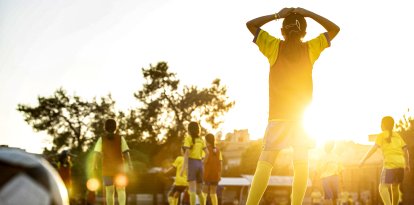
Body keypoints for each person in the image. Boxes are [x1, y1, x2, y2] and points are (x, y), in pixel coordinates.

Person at [245, 7, 340, 205]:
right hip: (302, 119)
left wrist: (276, 15)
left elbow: (250, 25)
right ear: (305, 32)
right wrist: (310, 14)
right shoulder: (310, 48)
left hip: (278, 116)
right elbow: (334, 29)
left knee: (265, 163)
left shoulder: (273, 46)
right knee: (301, 163)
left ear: (282, 31)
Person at [359, 116, 410, 205]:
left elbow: (373, 149)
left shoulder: (381, 135)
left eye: (381, 123)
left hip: (390, 164)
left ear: (383, 125)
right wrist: (407, 163)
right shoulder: (397, 135)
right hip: (400, 164)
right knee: (395, 187)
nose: (380, 125)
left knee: (382, 188)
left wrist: (363, 160)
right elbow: (406, 150)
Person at [92, 118, 133, 205]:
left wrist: (94, 165)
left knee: (109, 191)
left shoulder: (101, 139)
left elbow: (96, 154)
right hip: (119, 169)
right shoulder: (120, 138)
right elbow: (126, 153)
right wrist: (130, 165)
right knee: (121, 189)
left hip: (107, 169)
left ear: (105, 128)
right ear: (116, 127)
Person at [180, 121, 208, 205]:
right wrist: (202, 163)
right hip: (200, 164)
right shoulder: (201, 140)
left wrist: (183, 168)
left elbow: (187, 153)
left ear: (189, 129)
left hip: (192, 163)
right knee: (199, 191)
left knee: (191, 189)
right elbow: (207, 153)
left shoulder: (188, 138)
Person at [202, 133, 222, 205]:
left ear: (207, 140)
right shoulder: (218, 150)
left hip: (207, 173)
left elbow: (205, 161)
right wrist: (219, 174)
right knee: (213, 193)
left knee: (204, 193)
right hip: (215, 174)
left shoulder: (205, 150)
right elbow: (220, 163)